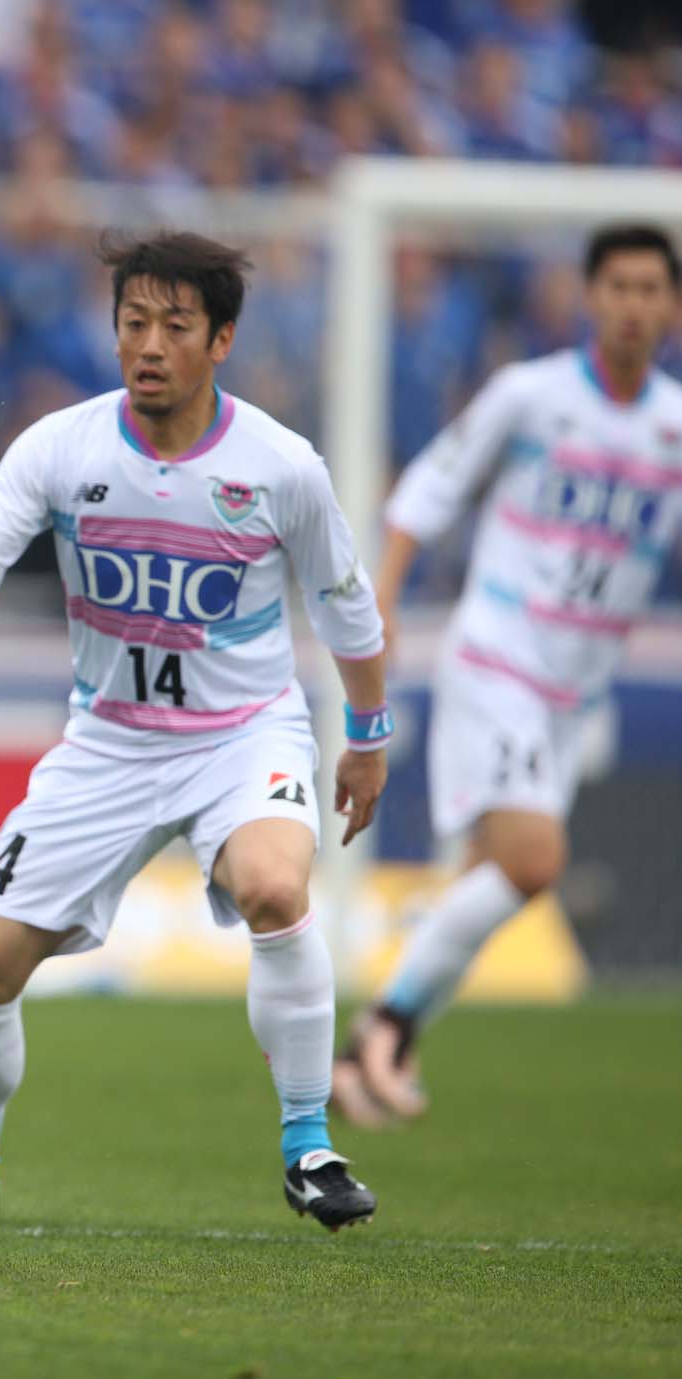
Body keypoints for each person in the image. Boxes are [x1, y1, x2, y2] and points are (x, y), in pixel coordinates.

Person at [0, 232, 387, 1233]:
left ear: (220, 338)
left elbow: (345, 606)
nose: (147, 344)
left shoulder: (281, 466)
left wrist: (366, 734)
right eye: (131, 323)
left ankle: (309, 1145)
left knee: (274, 884)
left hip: (241, 734)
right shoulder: (63, 445)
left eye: (173, 326)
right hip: (107, 741)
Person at [333, 225, 682, 1125]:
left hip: (578, 688)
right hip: (501, 656)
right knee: (535, 861)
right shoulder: (530, 397)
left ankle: (373, 1039)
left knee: (493, 872)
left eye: (653, 289)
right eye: (620, 287)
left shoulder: (671, 428)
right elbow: (431, 487)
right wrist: (385, 601)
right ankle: (387, 1024)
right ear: (590, 297)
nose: (636, 305)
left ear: (672, 307)